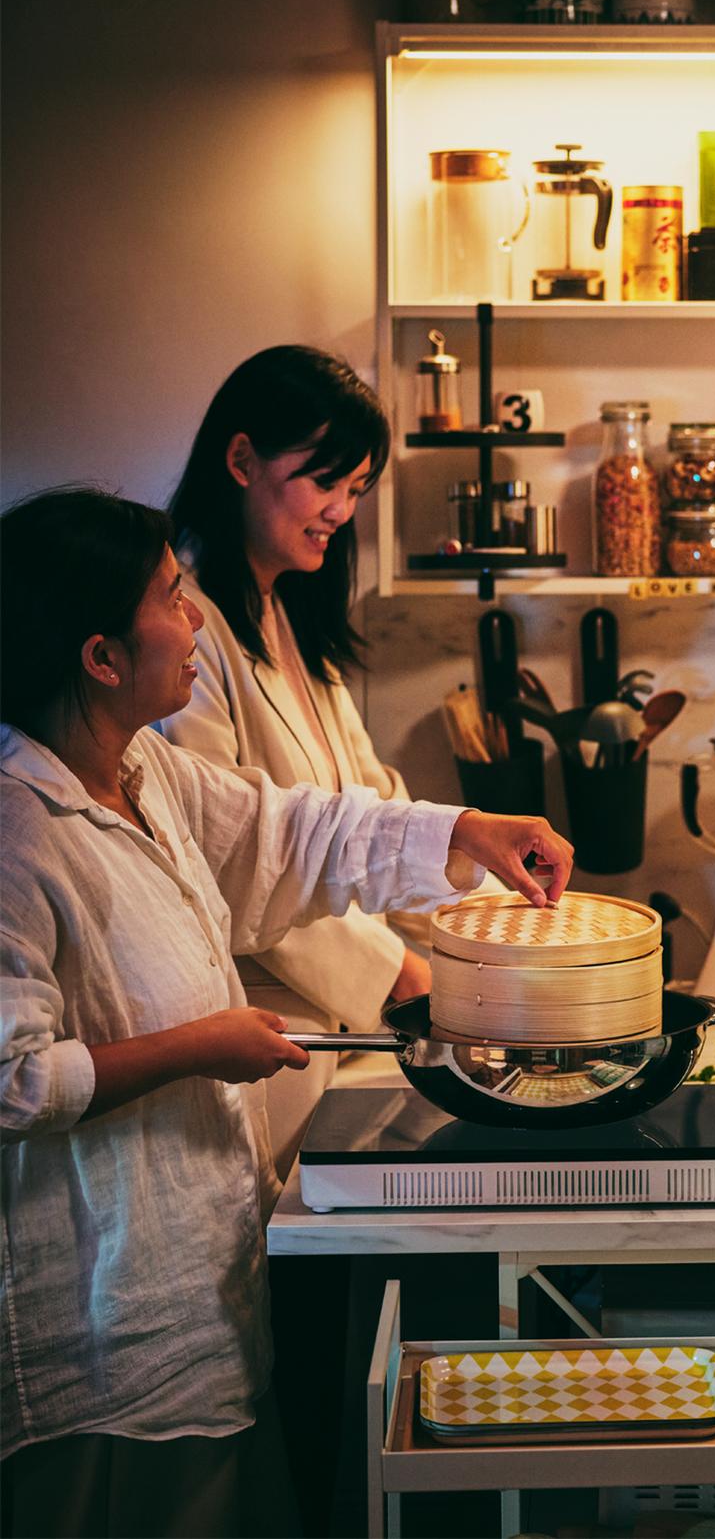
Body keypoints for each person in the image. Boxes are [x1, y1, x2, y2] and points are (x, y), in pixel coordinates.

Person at [0, 487, 572, 1538]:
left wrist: (468, 830)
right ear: (100, 657)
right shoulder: (19, 829)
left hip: (193, 1296)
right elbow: (14, 1079)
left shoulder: (145, 772)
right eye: (174, 598)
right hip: (97, 1334)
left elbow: (293, 832)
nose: (198, 620)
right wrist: (198, 1047)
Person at [160, 346, 459, 1176]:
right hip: (262, 1032)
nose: (340, 510)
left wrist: (486, 921)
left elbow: (372, 805)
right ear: (242, 459)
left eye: (356, 490)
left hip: (336, 1029)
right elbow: (228, 859)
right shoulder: (184, 634)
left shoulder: (288, 616)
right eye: (326, 481)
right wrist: (399, 968)